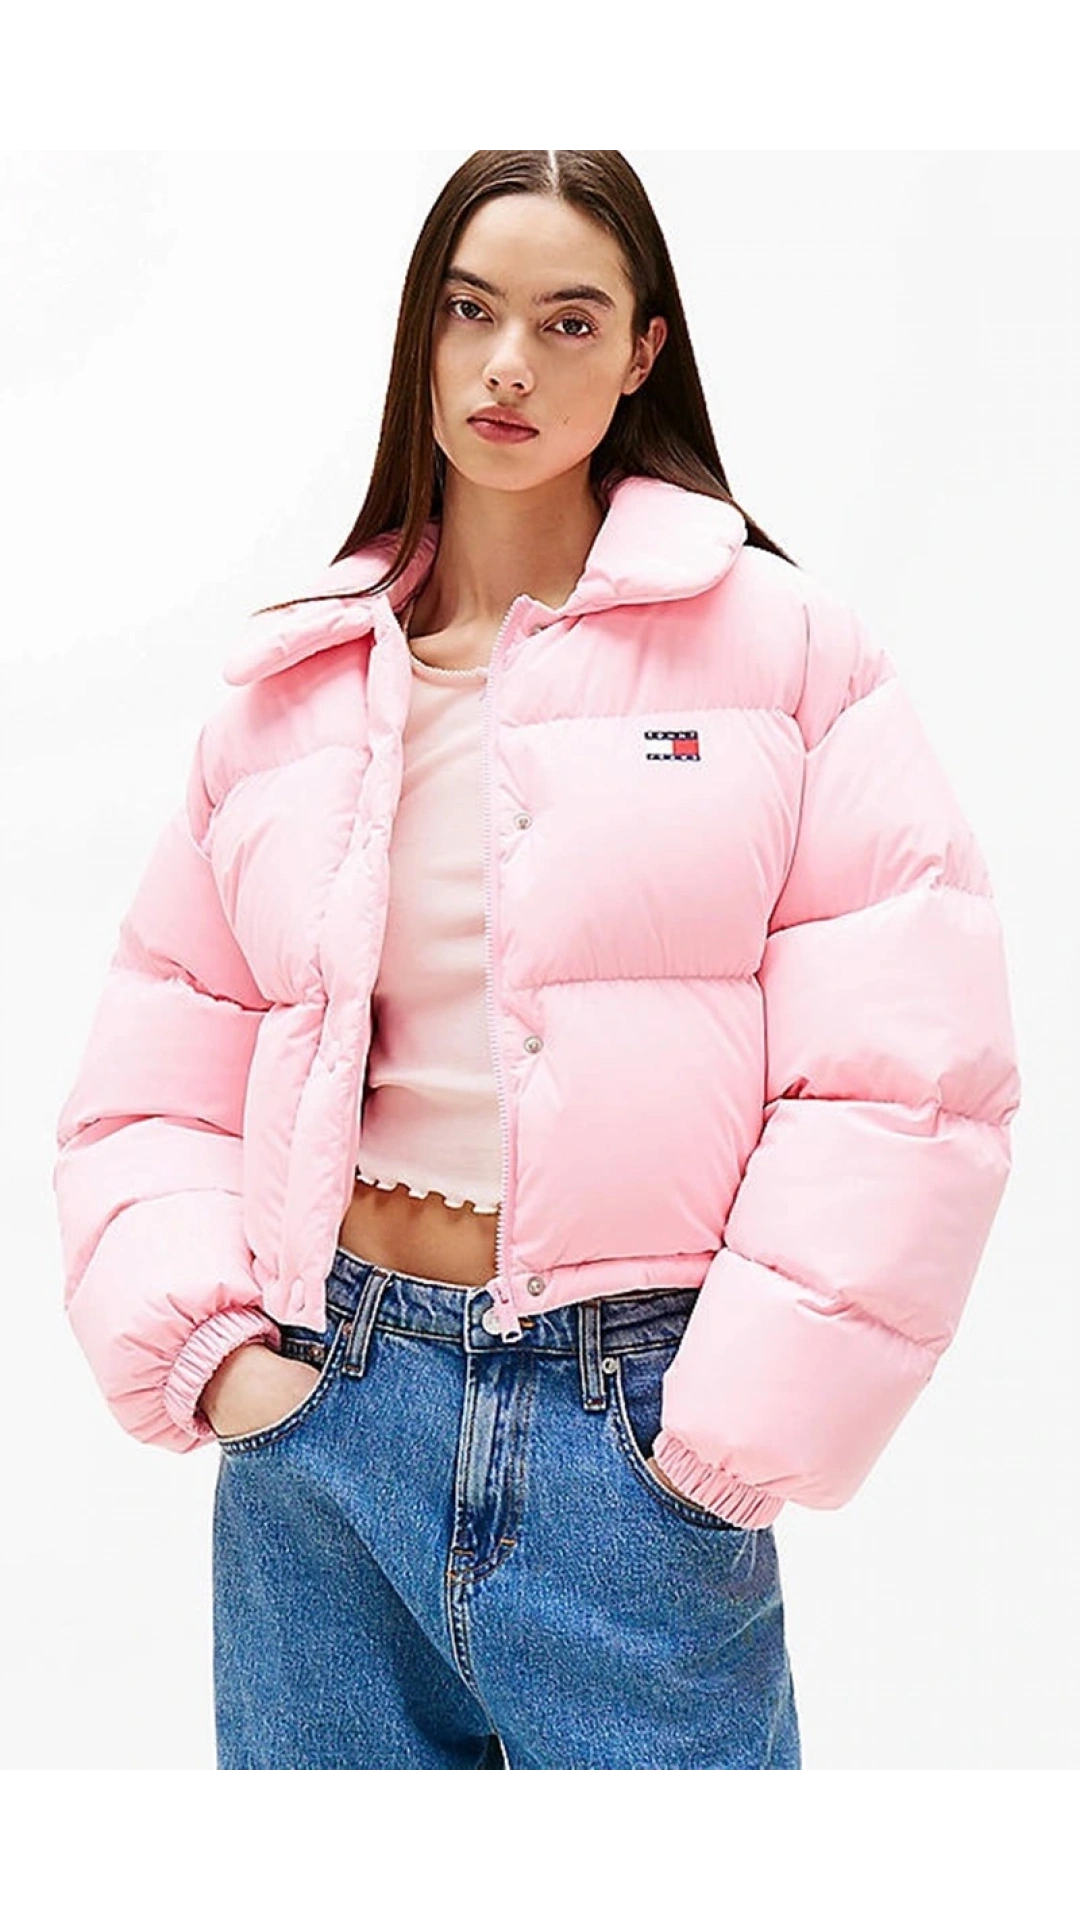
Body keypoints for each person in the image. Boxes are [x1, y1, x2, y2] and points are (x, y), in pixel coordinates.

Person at [52, 146, 1021, 1775]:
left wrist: (727, 1437)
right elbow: (154, 1073)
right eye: (470, 311)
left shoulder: (790, 656)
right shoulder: (292, 691)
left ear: (644, 351)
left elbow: (907, 1078)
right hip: (321, 1417)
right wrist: (217, 1366)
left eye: (569, 322)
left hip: (627, 1432)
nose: (509, 363)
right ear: (421, 337)